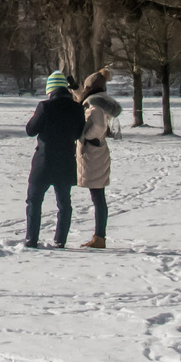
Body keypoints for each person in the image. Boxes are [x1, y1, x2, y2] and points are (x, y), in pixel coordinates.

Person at [23, 70, 86, 248]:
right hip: (66, 161)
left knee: (34, 201)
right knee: (64, 203)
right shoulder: (77, 108)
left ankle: (31, 239)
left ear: (50, 89)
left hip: (44, 161)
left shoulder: (45, 107)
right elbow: (79, 133)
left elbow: (30, 130)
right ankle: (60, 240)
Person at [75, 69, 121, 249]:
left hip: (93, 153)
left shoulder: (94, 103)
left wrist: (86, 135)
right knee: (98, 195)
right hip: (99, 152)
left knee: (97, 196)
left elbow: (98, 124)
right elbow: (86, 101)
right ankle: (99, 235)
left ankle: (99, 236)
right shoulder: (101, 100)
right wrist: (76, 89)